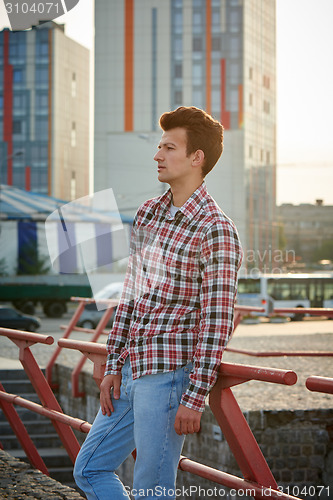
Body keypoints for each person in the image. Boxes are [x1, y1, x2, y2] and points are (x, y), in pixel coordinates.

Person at [74, 106, 243, 499]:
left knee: (152, 489)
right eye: (159, 147)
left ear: (196, 158)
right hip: (130, 370)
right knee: (89, 467)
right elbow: (131, 293)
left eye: (169, 147)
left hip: (168, 378)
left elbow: (216, 321)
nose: (157, 155)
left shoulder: (216, 230)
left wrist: (195, 396)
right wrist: (114, 364)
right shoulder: (149, 213)